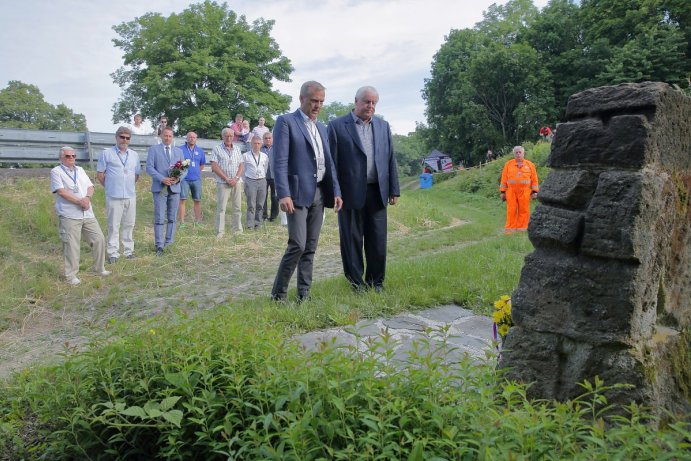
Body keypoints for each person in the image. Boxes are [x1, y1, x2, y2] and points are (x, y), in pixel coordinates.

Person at [271, 81, 342, 302]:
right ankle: (279, 294)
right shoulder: (286, 122)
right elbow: (279, 161)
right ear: (302, 99)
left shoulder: (322, 128)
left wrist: (336, 191)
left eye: (321, 102)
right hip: (297, 194)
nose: (317, 106)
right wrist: (283, 193)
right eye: (314, 101)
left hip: (319, 193)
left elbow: (329, 163)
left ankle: (304, 293)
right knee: (297, 244)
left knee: (310, 247)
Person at [327, 86, 400, 292]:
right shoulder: (336, 126)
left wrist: (394, 189)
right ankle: (356, 283)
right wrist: (335, 191)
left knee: (377, 240)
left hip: (377, 192)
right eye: (367, 102)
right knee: (352, 240)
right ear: (356, 101)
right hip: (349, 194)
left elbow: (390, 158)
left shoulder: (383, 126)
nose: (370, 106)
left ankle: (376, 282)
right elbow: (331, 162)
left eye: (374, 103)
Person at [50, 146, 110, 285]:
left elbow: (90, 186)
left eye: (73, 156)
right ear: (61, 158)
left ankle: (99, 268)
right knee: (71, 245)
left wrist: (87, 198)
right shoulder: (56, 172)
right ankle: (71, 276)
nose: (71, 158)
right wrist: (79, 201)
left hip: (87, 212)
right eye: (68, 156)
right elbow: (61, 191)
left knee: (99, 239)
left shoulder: (80, 170)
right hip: (69, 214)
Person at [96, 126, 141, 264]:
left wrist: (127, 185)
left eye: (127, 138)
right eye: (122, 137)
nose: (124, 140)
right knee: (113, 225)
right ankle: (113, 253)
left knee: (129, 224)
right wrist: (110, 186)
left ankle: (128, 251)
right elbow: (100, 174)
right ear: (116, 137)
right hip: (113, 195)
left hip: (130, 195)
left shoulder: (134, 155)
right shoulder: (107, 153)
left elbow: (137, 174)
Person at [146, 126, 185, 255]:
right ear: (161, 136)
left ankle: (169, 243)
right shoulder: (153, 150)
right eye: (165, 135)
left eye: (170, 136)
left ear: (172, 137)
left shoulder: (178, 152)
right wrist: (162, 178)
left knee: (172, 217)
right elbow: (150, 168)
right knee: (159, 217)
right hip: (160, 188)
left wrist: (177, 179)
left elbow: (185, 169)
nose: (167, 138)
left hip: (174, 188)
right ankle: (159, 245)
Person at [209, 127, 244, 237]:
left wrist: (236, 178)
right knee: (221, 208)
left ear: (233, 137)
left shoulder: (237, 149)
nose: (229, 138)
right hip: (223, 182)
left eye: (231, 136)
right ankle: (220, 232)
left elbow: (241, 165)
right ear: (222, 136)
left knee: (237, 207)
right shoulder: (217, 148)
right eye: (227, 136)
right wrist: (226, 178)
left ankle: (238, 231)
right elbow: (214, 166)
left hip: (237, 182)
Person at [499, 145, 539, 233]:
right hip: (511, 191)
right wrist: (502, 192)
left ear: (523, 153)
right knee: (511, 210)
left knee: (524, 210)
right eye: (516, 152)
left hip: (525, 191)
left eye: (520, 152)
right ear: (514, 154)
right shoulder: (508, 164)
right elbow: (503, 179)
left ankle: (522, 229)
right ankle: (510, 230)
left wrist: (535, 192)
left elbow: (534, 180)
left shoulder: (530, 165)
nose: (518, 154)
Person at [178, 131, 206, 227]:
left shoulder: (200, 151)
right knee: (182, 200)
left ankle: (198, 221)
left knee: (197, 200)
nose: (192, 139)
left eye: (194, 137)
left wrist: (196, 172)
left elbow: (202, 165)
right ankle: (182, 222)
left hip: (196, 179)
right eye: (190, 137)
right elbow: (177, 164)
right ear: (186, 138)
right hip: (184, 179)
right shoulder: (180, 149)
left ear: (196, 139)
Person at [242, 136, 269, 230]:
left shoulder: (265, 156)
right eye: (255, 143)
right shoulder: (246, 155)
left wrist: (262, 177)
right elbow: (243, 169)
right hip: (250, 181)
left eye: (258, 143)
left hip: (262, 181)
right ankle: (250, 224)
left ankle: (258, 223)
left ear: (261, 144)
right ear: (251, 144)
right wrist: (245, 181)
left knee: (260, 204)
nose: (256, 145)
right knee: (251, 204)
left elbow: (265, 168)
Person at [261, 131, 278, 222]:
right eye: (266, 138)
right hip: (263, 176)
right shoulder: (260, 149)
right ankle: (263, 216)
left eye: (269, 138)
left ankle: (273, 217)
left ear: (272, 139)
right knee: (263, 196)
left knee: (274, 197)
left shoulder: (277, 148)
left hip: (275, 176)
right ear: (263, 140)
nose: (268, 139)